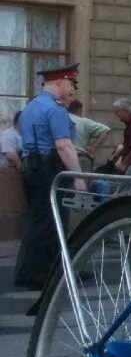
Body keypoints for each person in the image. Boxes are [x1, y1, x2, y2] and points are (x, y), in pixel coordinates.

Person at [14, 63, 85, 313]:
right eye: (70, 84)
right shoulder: (55, 110)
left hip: (29, 165)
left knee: (37, 219)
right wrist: (78, 176)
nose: (71, 89)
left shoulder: (30, 107)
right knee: (55, 219)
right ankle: (47, 274)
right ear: (60, 82)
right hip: (50, 167)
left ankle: (30, 272)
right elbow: (64, 145)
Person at [67, 99, 112, 171]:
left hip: (62, 157)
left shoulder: (60, 118)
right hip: (80, 157)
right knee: (82, 181)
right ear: (79, 109)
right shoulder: (83, 121)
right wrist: (93, 147)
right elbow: (105, 130)